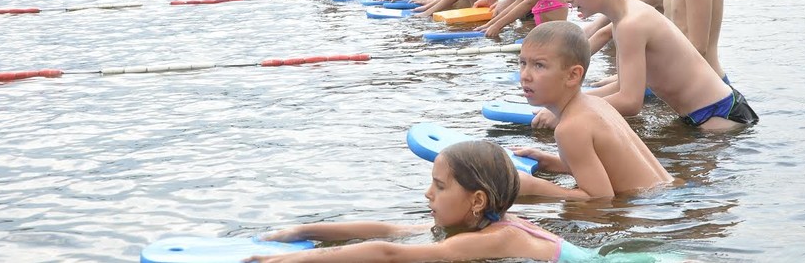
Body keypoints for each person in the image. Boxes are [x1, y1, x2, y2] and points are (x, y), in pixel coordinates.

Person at [251, 140, 682, 263]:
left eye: (439, 186)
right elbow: (386, 232)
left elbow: (388, 255)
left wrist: (296, 262)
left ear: (476, 200)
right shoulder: (485, 221)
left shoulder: (488, 241)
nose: (427, 194)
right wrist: (301, 232)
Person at [545, 0, 758, 130]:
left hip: (719, 114)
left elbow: (630, 102)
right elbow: (622, 87)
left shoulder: (631, 24)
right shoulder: (624, 19)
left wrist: (569, 109)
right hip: (710, 111)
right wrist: (564, 101)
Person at [513, 21, 673, 198]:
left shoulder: (570, 128)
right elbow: (610, 167)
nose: (525, 75)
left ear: (573, 75)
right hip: (668, 193)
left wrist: (534, 187)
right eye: (522, 63)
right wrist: (549, 162)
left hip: (650, 209)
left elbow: (599, 198)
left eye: (539, 65)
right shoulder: (597, 104)